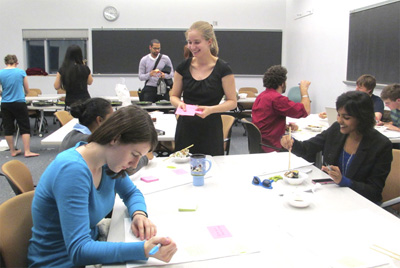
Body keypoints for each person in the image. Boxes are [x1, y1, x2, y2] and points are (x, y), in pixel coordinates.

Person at [28, 105, 177, 267]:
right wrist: (143, 250)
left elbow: (131, 193)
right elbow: (79, 250)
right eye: (134, 154)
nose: (135, 163)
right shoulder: (72, 170)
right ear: (115, 139)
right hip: (58, 262)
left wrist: (139, 214)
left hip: (89, 246)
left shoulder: (107, 162)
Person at [281, 91, 392, 203]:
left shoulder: (380, 145)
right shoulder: (336, 130)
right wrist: (291, 142)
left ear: (362, 118)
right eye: (338, 114)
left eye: (346, 117)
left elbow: (374, 191)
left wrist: (344, 181)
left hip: (359, 203)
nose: (339, 120)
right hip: (332, 196)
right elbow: (308, 147)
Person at [170, 21, 237, 156]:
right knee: (183, 169)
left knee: (210, 170)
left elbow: (232, 102)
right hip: (186, 128)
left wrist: (211, 109)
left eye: (196, 42)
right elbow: (173, 96)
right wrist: (179, 104)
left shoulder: (223, 69)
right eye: (189, 42)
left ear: (209, 41)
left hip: (210, 129)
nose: (192, 47)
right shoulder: (183, 67)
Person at [60, 97, 152, 173]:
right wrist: (144, 158)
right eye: (111, 118)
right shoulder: (92, 143)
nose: (114, 122)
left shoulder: (71, 135)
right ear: (100, 120)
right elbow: (123, 170)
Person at [252, 65, 311, 153]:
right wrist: (304, 91)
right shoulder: (277, 99)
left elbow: (264, 121)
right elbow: (305, 111)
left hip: (262, 143)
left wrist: (285, 127)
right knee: (308, 149)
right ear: (282, 83)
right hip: (273, 146)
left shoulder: (261, 96)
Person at [0, 54, 39, 157]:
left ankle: (13, 151)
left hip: (5, 104)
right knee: (24, 127)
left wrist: (3, 93)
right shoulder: (21, 72)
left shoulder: (0, 73)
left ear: (5, 63)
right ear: (16, 62)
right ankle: (27, 151)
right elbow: (27, 89)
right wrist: (24, 94)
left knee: (8, 128)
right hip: (19, 103)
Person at [319, 74, 384, 120]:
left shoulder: (377, 101)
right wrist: (330, 115)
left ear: (369, 90)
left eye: (360, 88)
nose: (356, 89)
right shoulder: (353, 98)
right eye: (356, 86)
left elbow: (377, 118)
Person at [54, 44, 93, 109]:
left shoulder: (63, 69)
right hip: (85, 100)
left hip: (70, 101)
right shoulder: (85, 68)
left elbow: (56, 86)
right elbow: (90, 82)